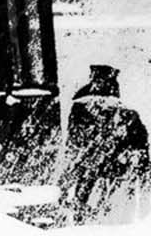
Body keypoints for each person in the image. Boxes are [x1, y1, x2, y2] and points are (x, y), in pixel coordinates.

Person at [61, 65, 150, 223]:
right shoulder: (81, 109)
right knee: (88, 208)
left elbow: (141, 146)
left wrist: (134, 157)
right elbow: (74, 141)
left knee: (114, 213)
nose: (100, 106)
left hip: (114, 174)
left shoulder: (127, 116)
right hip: (93, 171)